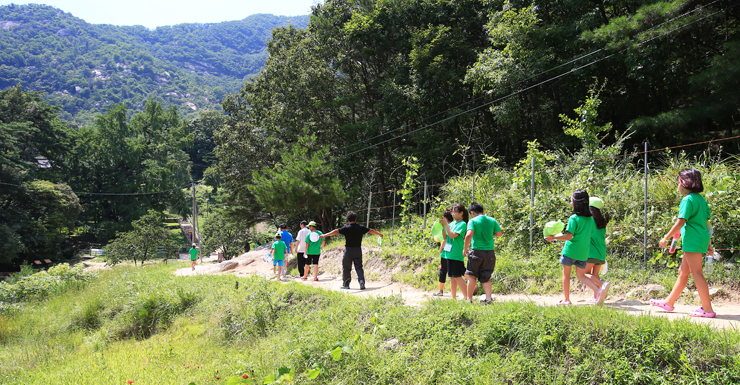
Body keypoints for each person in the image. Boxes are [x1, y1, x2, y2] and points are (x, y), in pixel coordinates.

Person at [651, 169, 715, 318]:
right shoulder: (701, 200)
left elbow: (681, 221)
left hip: (692, 239)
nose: (678, 187)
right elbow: (706, 223)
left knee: (697, 273)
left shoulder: (687, 200)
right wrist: (709, 243)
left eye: (679, 183)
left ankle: (707, 309)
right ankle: (669, 302)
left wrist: (666, 237)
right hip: (700, 239)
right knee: (683, 272)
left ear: (685, 183)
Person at [545, 190, 602, 305]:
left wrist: (553, 238)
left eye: (571, 200)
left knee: (566, 275)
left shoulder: (573, 218)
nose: (570, 202)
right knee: (581, 275)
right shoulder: (591, 219)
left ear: (576, 203)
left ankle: (566, 299)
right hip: (583, 253)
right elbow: (590, 233)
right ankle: (597, 290)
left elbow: (569, 236)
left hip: (570, 251)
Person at [321, 211, 383, 290]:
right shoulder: (360, 227)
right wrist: (379, 234)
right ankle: (361, 282)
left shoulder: (346, 228)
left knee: (346, 267)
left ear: (348, 219)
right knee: (359, 267)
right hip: (358, 250)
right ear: (355, 219)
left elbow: (336, 231)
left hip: (348, 251)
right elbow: (370, 230)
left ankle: (346, 285)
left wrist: (325, 235)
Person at [463, 202, 503, 304]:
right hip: (489, 253)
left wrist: (465, 248)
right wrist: (489, 234)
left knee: (472, 276)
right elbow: (499, 233)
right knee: (486, 277)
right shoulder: (491, 220)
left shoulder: (473, 221)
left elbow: (469, 235)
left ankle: (469, 299)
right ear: (482, 211)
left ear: (472, 212)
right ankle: (488, 299)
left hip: (476, 252)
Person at [440, 204, 469, 300]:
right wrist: (442, 226)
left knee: (457, 276)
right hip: (449, 254)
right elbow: (445, 237)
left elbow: (452, 235)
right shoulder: (452, 224)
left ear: (461, 213)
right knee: (452, 277)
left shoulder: (462, 224)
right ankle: (453, 298)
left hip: (456, 254)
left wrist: (446, 225)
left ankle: (467, 298)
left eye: (454, 212)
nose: (452, 214)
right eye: (452, 212)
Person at [585, 197, 609, 303]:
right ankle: (596, 296)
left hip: (591, 252)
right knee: (595, 274)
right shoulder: (602, 222)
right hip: (601, 252)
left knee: (583, 274)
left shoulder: (589, 221)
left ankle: (603, 285)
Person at [433, 210, 454, 296]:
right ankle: (474, 286)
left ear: (445, 218)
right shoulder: (454, 225)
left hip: (446, 251)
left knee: (443, 270)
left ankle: (440, 291)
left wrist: (441, 248)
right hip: (454, 251)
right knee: (459, 269)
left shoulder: (446, 226)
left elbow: (445, 239)